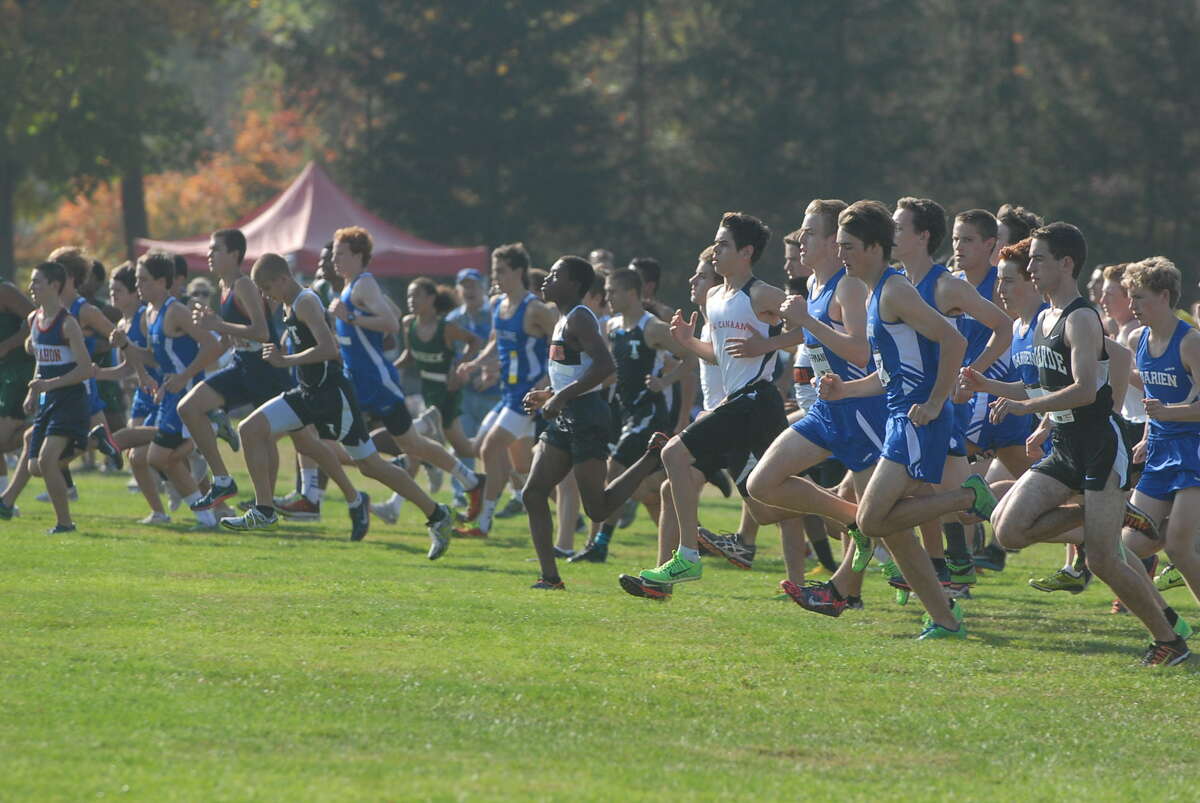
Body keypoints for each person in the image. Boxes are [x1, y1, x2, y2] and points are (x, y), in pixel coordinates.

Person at [990, 223, 1188, 666]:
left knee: (1102, 559)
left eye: (1039, 259)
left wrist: (1030, 408)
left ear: (1066, 264)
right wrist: (1039, 415)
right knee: (1007, 529)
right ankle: (1110, 513)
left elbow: (1082, 388)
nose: (1031, 267)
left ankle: (1170, 642)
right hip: (1063, 444)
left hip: (1098, 444)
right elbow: (1091, 368)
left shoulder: (1081, 317)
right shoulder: (1043, 316)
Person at [797, 200, 995, 638]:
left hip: (919, 421)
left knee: (871, 521)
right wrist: (845, 389)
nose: (840, 254)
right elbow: (890, 374)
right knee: (887, 524)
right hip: (897, 416)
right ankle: (944, 617)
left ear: (872, 247)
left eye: (847, 246)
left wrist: (937, 400)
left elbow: (953, 339)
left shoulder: (894, 290)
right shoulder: (873, 295)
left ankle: (967, 497)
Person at [218, 253, 456, 557]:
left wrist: (285, 360)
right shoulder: (290, 303)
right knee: (250, 429)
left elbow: (329, 349)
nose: (266, 295)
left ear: (283, 278)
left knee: (371, 466)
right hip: (307, 394)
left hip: (332, 397)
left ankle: (438, 514)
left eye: (267, 287)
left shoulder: (305, 301)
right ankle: (264, 509)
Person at [618, 212, 797, 599]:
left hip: (757, 402)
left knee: (675, 455)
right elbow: (716, 356)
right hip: (734, 407)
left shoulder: (762, 293)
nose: (715, 251)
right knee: (769, 505)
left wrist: (766, 344)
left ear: (746, 252)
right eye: (715, 244)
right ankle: (850, 519)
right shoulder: (716, 297)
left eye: (723, 245)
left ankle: (687, 555)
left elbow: (812, 326)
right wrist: (686, 340)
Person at [742, 199, 882, 603]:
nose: (800, 239)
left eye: (809, 232)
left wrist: (805, 321)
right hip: (825, 411)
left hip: (860, 411)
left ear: (833, 241)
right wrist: (777, 335)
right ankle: (852, 520)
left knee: (890, 524)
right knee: (762, 484)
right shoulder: (815, 287)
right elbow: (814, 338)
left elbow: (860, 352)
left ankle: (937, 602)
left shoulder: (849, 285)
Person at [884, 201, 1010, 597]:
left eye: (899, 228)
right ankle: (951, 568)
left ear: (922, 236)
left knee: (915, 498)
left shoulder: (946, 286)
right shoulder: (896, 284)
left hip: (938, 408)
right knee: (953, 502)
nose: (891, 235)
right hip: (913, 407)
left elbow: (1003, 326)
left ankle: (1093, 537)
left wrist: (973, 372)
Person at [521, 257, 670, 588]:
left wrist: (560, 398)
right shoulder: (561, 319)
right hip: (565, 417)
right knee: (532, 494)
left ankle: (649, 458)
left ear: (574, 284)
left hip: (588, 417)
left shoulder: (580, 318)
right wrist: (549, 394)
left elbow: (605, 366)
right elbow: (576, 372)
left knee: (598, 510)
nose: (546, 280)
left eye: (555, 275)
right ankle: (550, 577)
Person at [570, 267, 696, 563]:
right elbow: (612, 368)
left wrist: (665, 381)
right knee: (648, 493)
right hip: (621, 415)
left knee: (613, 471)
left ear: (630, 293)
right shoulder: (612, 326)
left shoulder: (652, 327)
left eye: (612, 292)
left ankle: (598, 544)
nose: (608, 297)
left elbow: (691, 356)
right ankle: (695, 541)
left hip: (647, 416)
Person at [1109, 258, 1200, 634]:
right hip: (1160, 452)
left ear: (1164, 297)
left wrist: (1168, 413)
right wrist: (1148, 436)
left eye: (1140, 299)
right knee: (1124, 548)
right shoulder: (1136, 339)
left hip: (1194, 451)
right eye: (1130, 298)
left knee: (1178, 547)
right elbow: (1152, 394)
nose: (1132, 307)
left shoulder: (1191, 341)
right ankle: (1169, 620)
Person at [179, 229, 294, 513]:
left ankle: (351, 498)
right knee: (189, 407)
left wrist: (218, 325)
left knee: (305, 443)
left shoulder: (244, 285)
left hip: (266, 367)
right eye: (209, 249)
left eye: (215, 249)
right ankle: (222, 480)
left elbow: (261, 331)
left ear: (234, 254)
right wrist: (189, 370)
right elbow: (228, 340)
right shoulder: (223, 285)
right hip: (241, 365)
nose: (209, 254)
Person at [454, 243, 555, 538]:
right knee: (522, 467)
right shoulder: (498, 304)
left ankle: (482, 522)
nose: (495, 276)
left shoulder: (535, 308)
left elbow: (560, 343)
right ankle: (572, 517)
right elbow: (496, 344)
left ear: (519, 272)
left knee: (489, 447)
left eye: (501, 270)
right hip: (507, 393)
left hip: (526, 399)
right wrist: (476, 364)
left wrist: (547, 381)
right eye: (493, 270)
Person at [0, 261, 91, 532]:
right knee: (36, 466)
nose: (31, 287)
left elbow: (85, 369)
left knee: (48, 460)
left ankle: (65, 524)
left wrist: (50, 384)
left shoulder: (68, 324)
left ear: (54, 285)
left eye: (37, 281)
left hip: (70, 399)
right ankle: (94, 439)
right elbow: (38, 358)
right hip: (47, 400)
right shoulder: (33, 320)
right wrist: (33, 389)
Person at [399, 277, 481, 465]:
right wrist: (387, 368)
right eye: (409, 296)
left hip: (448, 391)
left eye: (416, 295)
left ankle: (499, 456)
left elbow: (475, 341)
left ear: (431, 298)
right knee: (462, 448)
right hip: (427, 388)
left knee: (418, 437)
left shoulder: (445, 327)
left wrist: (460, 365)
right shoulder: (408, 324)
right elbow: (409, 356)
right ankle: (498, 455)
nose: (411, 300)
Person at [0, 271, 35, 495]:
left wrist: (8, 345)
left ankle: (50, 431)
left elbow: (38, 321)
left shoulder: (4, 290)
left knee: (1, 441)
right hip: (3, 372)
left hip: (18, 371)